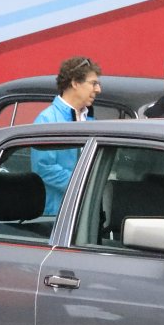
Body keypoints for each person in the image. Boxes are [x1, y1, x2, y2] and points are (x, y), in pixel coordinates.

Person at [31, 55, 101, 216]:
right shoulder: (47, 120)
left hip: (83, 213)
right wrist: (85, 185)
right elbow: (44, 168)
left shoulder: (90, 120)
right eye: (93, 83)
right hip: (55, 214)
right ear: (75, 83)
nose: (98, 89)